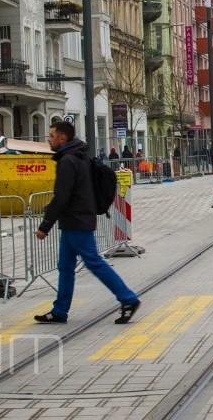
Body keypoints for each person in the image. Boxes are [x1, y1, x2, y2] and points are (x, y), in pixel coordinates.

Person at [34, 121, 140, 325]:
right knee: (65, 266)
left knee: (94, 262)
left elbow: (62, 195)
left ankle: (128, 298)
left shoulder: (68, 160)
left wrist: (44, 226)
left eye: (51, 135)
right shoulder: (78, 156)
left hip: (77, 220)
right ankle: (60, 311)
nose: (49, 139)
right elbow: (72, 191)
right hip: (75, 219)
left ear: (62, 138)